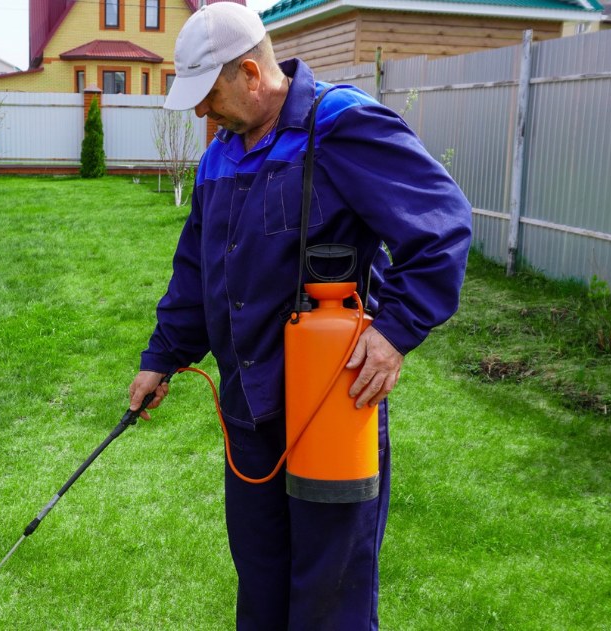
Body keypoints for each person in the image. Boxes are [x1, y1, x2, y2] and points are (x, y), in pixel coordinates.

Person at [126, 3, 472, 629]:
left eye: (209, 95)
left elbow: (442, 226)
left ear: (252, 74)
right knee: (261, 586)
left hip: (330, 409)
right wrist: (162, 358)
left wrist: (395, 333)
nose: (202, 112)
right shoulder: (220, 157)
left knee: (328, 599)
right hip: (249, 413)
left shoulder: (341, 126)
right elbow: (198, 272)